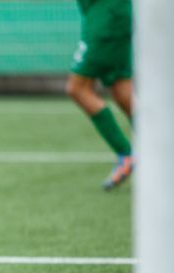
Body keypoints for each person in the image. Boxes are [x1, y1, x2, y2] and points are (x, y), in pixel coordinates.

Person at [65, 0, 134, 190]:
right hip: (111, 14)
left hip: (107, 18)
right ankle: (162, 152)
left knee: (77, 88)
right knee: (121, 88)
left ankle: (126, 154)